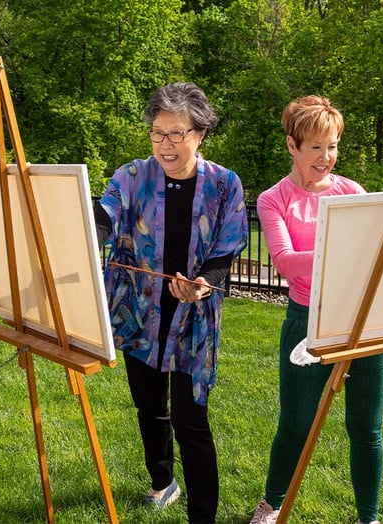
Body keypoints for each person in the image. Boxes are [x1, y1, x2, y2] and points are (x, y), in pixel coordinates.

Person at [94, 82, 248, 523]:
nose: (165, 144)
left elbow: (225, 250)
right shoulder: (131, 176)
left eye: (177, 134)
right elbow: (105, 215)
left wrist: (205, 283)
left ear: (199, 134)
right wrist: (79, 229)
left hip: (193, 317)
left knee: (190, 421)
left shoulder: (224, 185)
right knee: (148, 406)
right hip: (139, 312)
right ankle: (162, 482)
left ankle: (203, 516)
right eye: (158, 133)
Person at [250, 95, 383, 524]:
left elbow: (376, 253)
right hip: (306, 321)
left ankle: (369, 517)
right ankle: (271, 504)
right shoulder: (274, 199)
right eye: (316, 147)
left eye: (332, 147)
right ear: (293, 146)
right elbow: (285, 261)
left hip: (362, 324)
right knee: (295, 423)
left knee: (366, 429)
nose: (326, 157)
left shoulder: (352, 192)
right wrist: (343, 246)